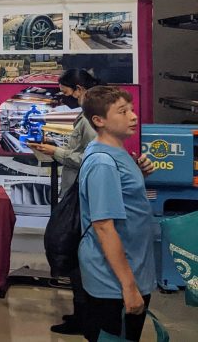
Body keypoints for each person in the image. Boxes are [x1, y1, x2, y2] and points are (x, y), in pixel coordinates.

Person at [77, 87, 156, 342]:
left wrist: (137, 175)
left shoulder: (116, 152)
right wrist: (129, 286)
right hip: (115, 283)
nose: (133, 116)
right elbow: (103, 227)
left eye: (131, 109)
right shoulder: (103, 163)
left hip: (132, 269)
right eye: (122, 112)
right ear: (99, 121)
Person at [27, 69, 100, 335]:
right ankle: (81, 313)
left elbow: (91, 158)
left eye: (66, 92)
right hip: (76, 193)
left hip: (82, 198)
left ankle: (86, 317)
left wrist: (55, 151)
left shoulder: (90, 120)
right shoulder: (86, 115)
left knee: (79, 259)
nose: (63, 96)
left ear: (79, 89)